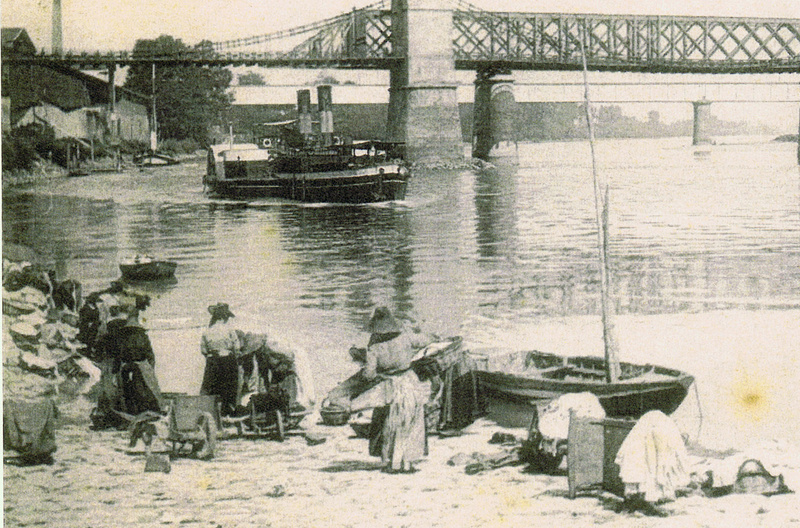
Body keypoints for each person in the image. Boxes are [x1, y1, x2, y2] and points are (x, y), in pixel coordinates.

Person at [361, 307, 432, 473]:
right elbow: (424, 341)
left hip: (389, 386)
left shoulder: (374, 345)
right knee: (412, 424)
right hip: (410, 382)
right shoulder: (404, 336)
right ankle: (407, 463)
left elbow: (369, 374)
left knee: (390, 424)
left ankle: (392, 463)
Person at [200, 303, 242, 416]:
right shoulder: (229, 329)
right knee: (230, 387)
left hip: (212, 361)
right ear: (224, 317)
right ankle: (229, 411)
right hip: (227, 360)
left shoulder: (207, 331)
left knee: (211, 387)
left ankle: (211, 412)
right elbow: (236, 347)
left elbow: (203, 350)